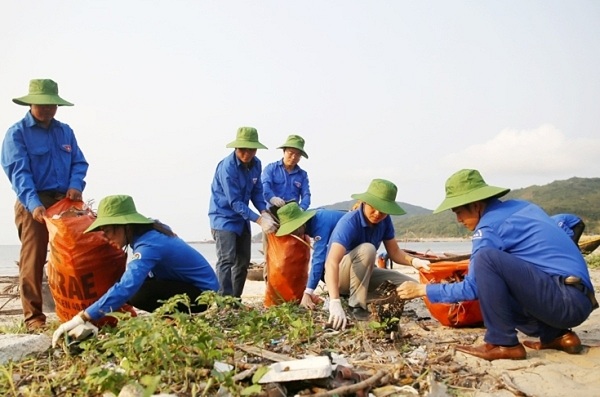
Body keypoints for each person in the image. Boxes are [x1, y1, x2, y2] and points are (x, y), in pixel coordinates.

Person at [397, 169, 597, 361]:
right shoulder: (523, 207)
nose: (458, 220)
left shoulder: (489, 227)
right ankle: (557, 336)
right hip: (581, 299)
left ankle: (503, 343)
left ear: (475, 205)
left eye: (459, 212)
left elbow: (473, 288)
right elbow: (568, 222)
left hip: (562, 301)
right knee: (498, 270)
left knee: (486, 259)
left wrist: (422, 289)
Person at [52, 195, 219, 346]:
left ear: (125, 226)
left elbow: (126, 287)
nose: (107, 238)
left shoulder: (149, 246)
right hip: (189, 286)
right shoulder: (149, 232)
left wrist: (82, 317)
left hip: (203, 295)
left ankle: (176, 319)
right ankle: (171, 318)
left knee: (135, 293)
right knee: (136, 282)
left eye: (108, 231)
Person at [1, 79, 89, 332]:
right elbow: (18, 172)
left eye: (52, 105)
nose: (48, 109)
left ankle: (77, 310)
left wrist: (75, 185)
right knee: (33, 258)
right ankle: (34, 318)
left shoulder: (65, 131)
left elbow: (79, 163)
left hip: (65, 202)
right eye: (43, 105)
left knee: (75, 256)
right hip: (34, 201)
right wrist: (33, 203)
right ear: (31, 103)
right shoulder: (17, 133)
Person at [322, 179, 431, 330]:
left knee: (410, 286)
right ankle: (356, 306)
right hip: (341, 277)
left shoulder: (384, 221)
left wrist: (415, 262)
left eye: (383, 210)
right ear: (365, 202)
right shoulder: (349, 222)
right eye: (374, 207)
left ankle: (370, 299)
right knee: (368, 249)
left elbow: (394, 252)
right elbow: (331, 262)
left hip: (363, 275)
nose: (378, 213)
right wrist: (334, 302)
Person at [208, 127, 278, 297]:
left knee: (243, 261)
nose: (247, 154)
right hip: (223, 217)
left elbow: (256, 191)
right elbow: (235, 202)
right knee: (226, 260)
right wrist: (260, 221)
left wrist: (264, 211)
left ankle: (235, 299)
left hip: (242, 218)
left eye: (251, 149)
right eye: (243, 149)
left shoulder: (257, 164)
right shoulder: (227, 168)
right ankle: (224, 301)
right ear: (236, 148)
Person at [274, 202, 345, 309]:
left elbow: (318, 259)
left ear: (301, 222)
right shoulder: (312, 220)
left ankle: (339, 296)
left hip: (355, 246)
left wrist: (307, 292)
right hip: (343, 246)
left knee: (324, 265)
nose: (294, 233)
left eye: (294, 229)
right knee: (322, 269)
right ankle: (340, 294)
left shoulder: (320, 223)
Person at [262, 134, 311, 210]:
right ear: (284, 151)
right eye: (291, 153)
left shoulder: (303, 175)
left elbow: (306, 195)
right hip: (271, 212)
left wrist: (302, 208)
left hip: (293, 214)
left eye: (297, 154)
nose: (293, 157)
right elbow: (264, 186)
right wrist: (272, 198)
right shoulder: (271, 168)